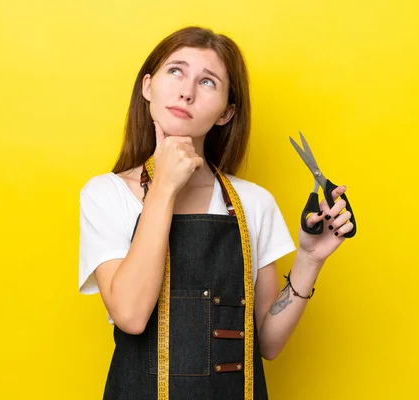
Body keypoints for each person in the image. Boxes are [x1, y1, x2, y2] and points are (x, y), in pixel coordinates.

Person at [78, 26, 354, 400]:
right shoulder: (105, 194)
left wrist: (309, 258)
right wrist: (163, 187)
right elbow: (130, 314)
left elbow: (267, 344)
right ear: (147, 87)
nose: (186, 91)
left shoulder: (254, 202)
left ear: (226, 113)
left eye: (207, 82)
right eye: (175, 71)